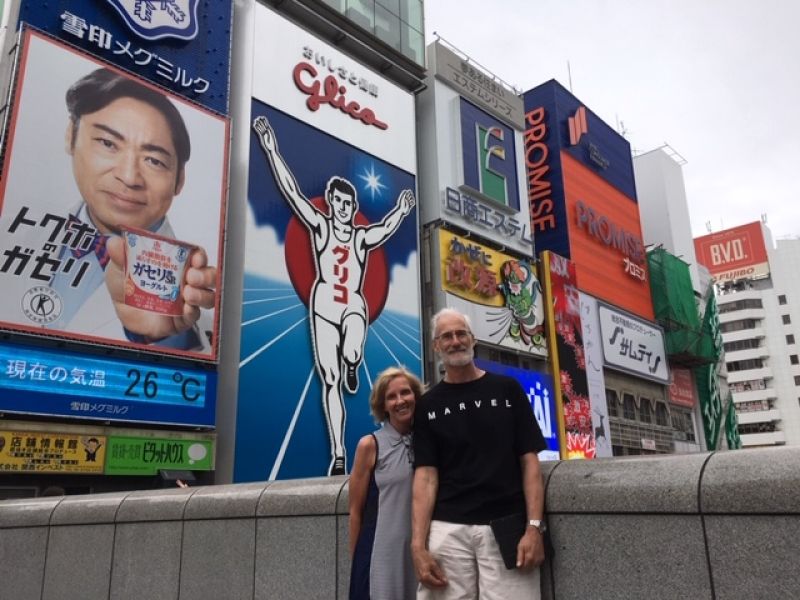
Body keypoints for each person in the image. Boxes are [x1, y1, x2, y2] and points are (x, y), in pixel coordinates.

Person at [252, 115, 416, 475]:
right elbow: (291, 191)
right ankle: (339, 453)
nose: (343, 208)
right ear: (330, 202)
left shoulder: (359, 237)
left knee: (352, 351)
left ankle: (353, 363)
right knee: (329, 380)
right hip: (323, 303)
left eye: (348, 203)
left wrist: (402, 210)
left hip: (352, 303)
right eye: (338, 202)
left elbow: (384, 229)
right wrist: (270, 147)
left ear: (352, 206)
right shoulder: (321, 227)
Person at [43, 68, 216, 350]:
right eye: (108, 144)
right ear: (70, 135)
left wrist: (158, 337)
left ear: (180, 179)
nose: (129, 177)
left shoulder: (199, 288)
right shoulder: (14, 230)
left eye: (153, 161)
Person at [411, 308, 547, 600]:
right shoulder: (427, 405)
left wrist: (534, 527)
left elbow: (530, 462)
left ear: (473, 340)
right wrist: (418, 546)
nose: (455, 341)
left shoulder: (507, 390)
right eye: (446, 336)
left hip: (507, 525)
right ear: (436, 346)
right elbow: (425, 478)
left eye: (461, 334)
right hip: (448, 529)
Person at [349, 366, 421, 600]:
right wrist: (357, 560)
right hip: (380, 553)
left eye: (406, 393)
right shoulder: (369, 445)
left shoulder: (428, 441)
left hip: (420, 552)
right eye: (391, 396)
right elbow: (355, 511)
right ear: (383, 406)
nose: (400, 401)